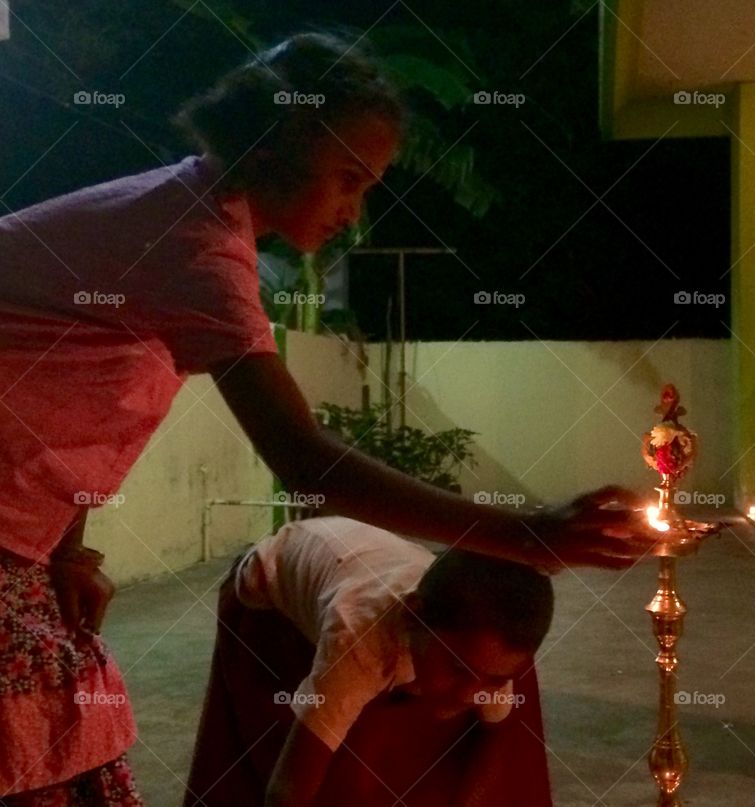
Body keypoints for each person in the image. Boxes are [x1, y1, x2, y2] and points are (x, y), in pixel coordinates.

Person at [0, 32, 650, 802]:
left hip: (22, 541)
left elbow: (62, 401)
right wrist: (529, 533)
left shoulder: (191, 219)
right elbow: (305, 461)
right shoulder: (195, 245)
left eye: (367, 185)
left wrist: (68, 547)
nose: (353, 211)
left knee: (61, 743)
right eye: (348, 179)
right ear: (273, 149)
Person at [185, 516, 556, 807]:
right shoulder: (359, 639)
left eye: (492, 680)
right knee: (306, 756)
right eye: (459, 669)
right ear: (413, 616)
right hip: (265, 584)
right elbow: (286, 793)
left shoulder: (479, 654)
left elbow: (496, 737)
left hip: (365, 559)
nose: (470, 694)